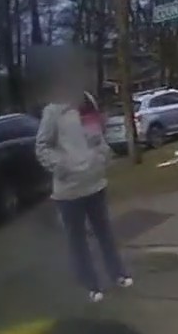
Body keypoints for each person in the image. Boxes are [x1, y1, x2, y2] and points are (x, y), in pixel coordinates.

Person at [34, 88, 133, 303]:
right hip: (69, 191)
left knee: (104, 231)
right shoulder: (53, 111)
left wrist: (103, 156)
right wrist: (61, 167)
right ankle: (92, 285)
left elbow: (98, 137)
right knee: (77, 240)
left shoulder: (87, 101)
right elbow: (42, 146)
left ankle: (118, 273)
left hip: (95, 183)